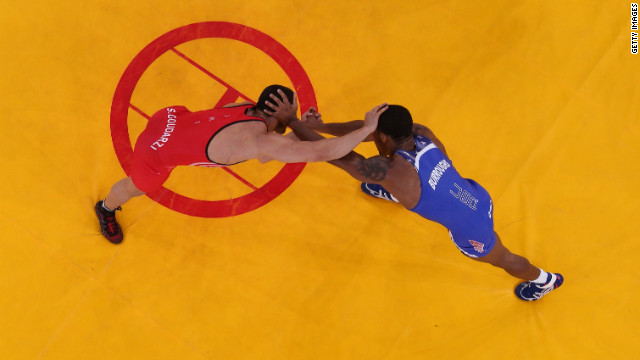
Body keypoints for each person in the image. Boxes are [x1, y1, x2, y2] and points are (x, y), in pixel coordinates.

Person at [265, 91, 563, 301]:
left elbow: (333, 155)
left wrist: (294, 122)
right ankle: (396, 195)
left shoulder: (392, 171)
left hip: (472, 227)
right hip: (471, 193)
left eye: (374, 132)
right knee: (399, 181)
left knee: (504, 258)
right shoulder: (421, 132)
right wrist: (322, 126)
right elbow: (363, 131)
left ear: (381, 137)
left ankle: (544, 280)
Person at [95, 85, 383, 244]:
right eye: (292, 111)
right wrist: (365, 128)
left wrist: (297, 126)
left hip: (169, 117)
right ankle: (106, 207)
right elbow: (321, 152)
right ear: (281, 115)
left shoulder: (245, 106)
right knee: (135, 187)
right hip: (154, 152)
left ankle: (109, 205)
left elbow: (279, 144)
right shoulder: (258, 142)